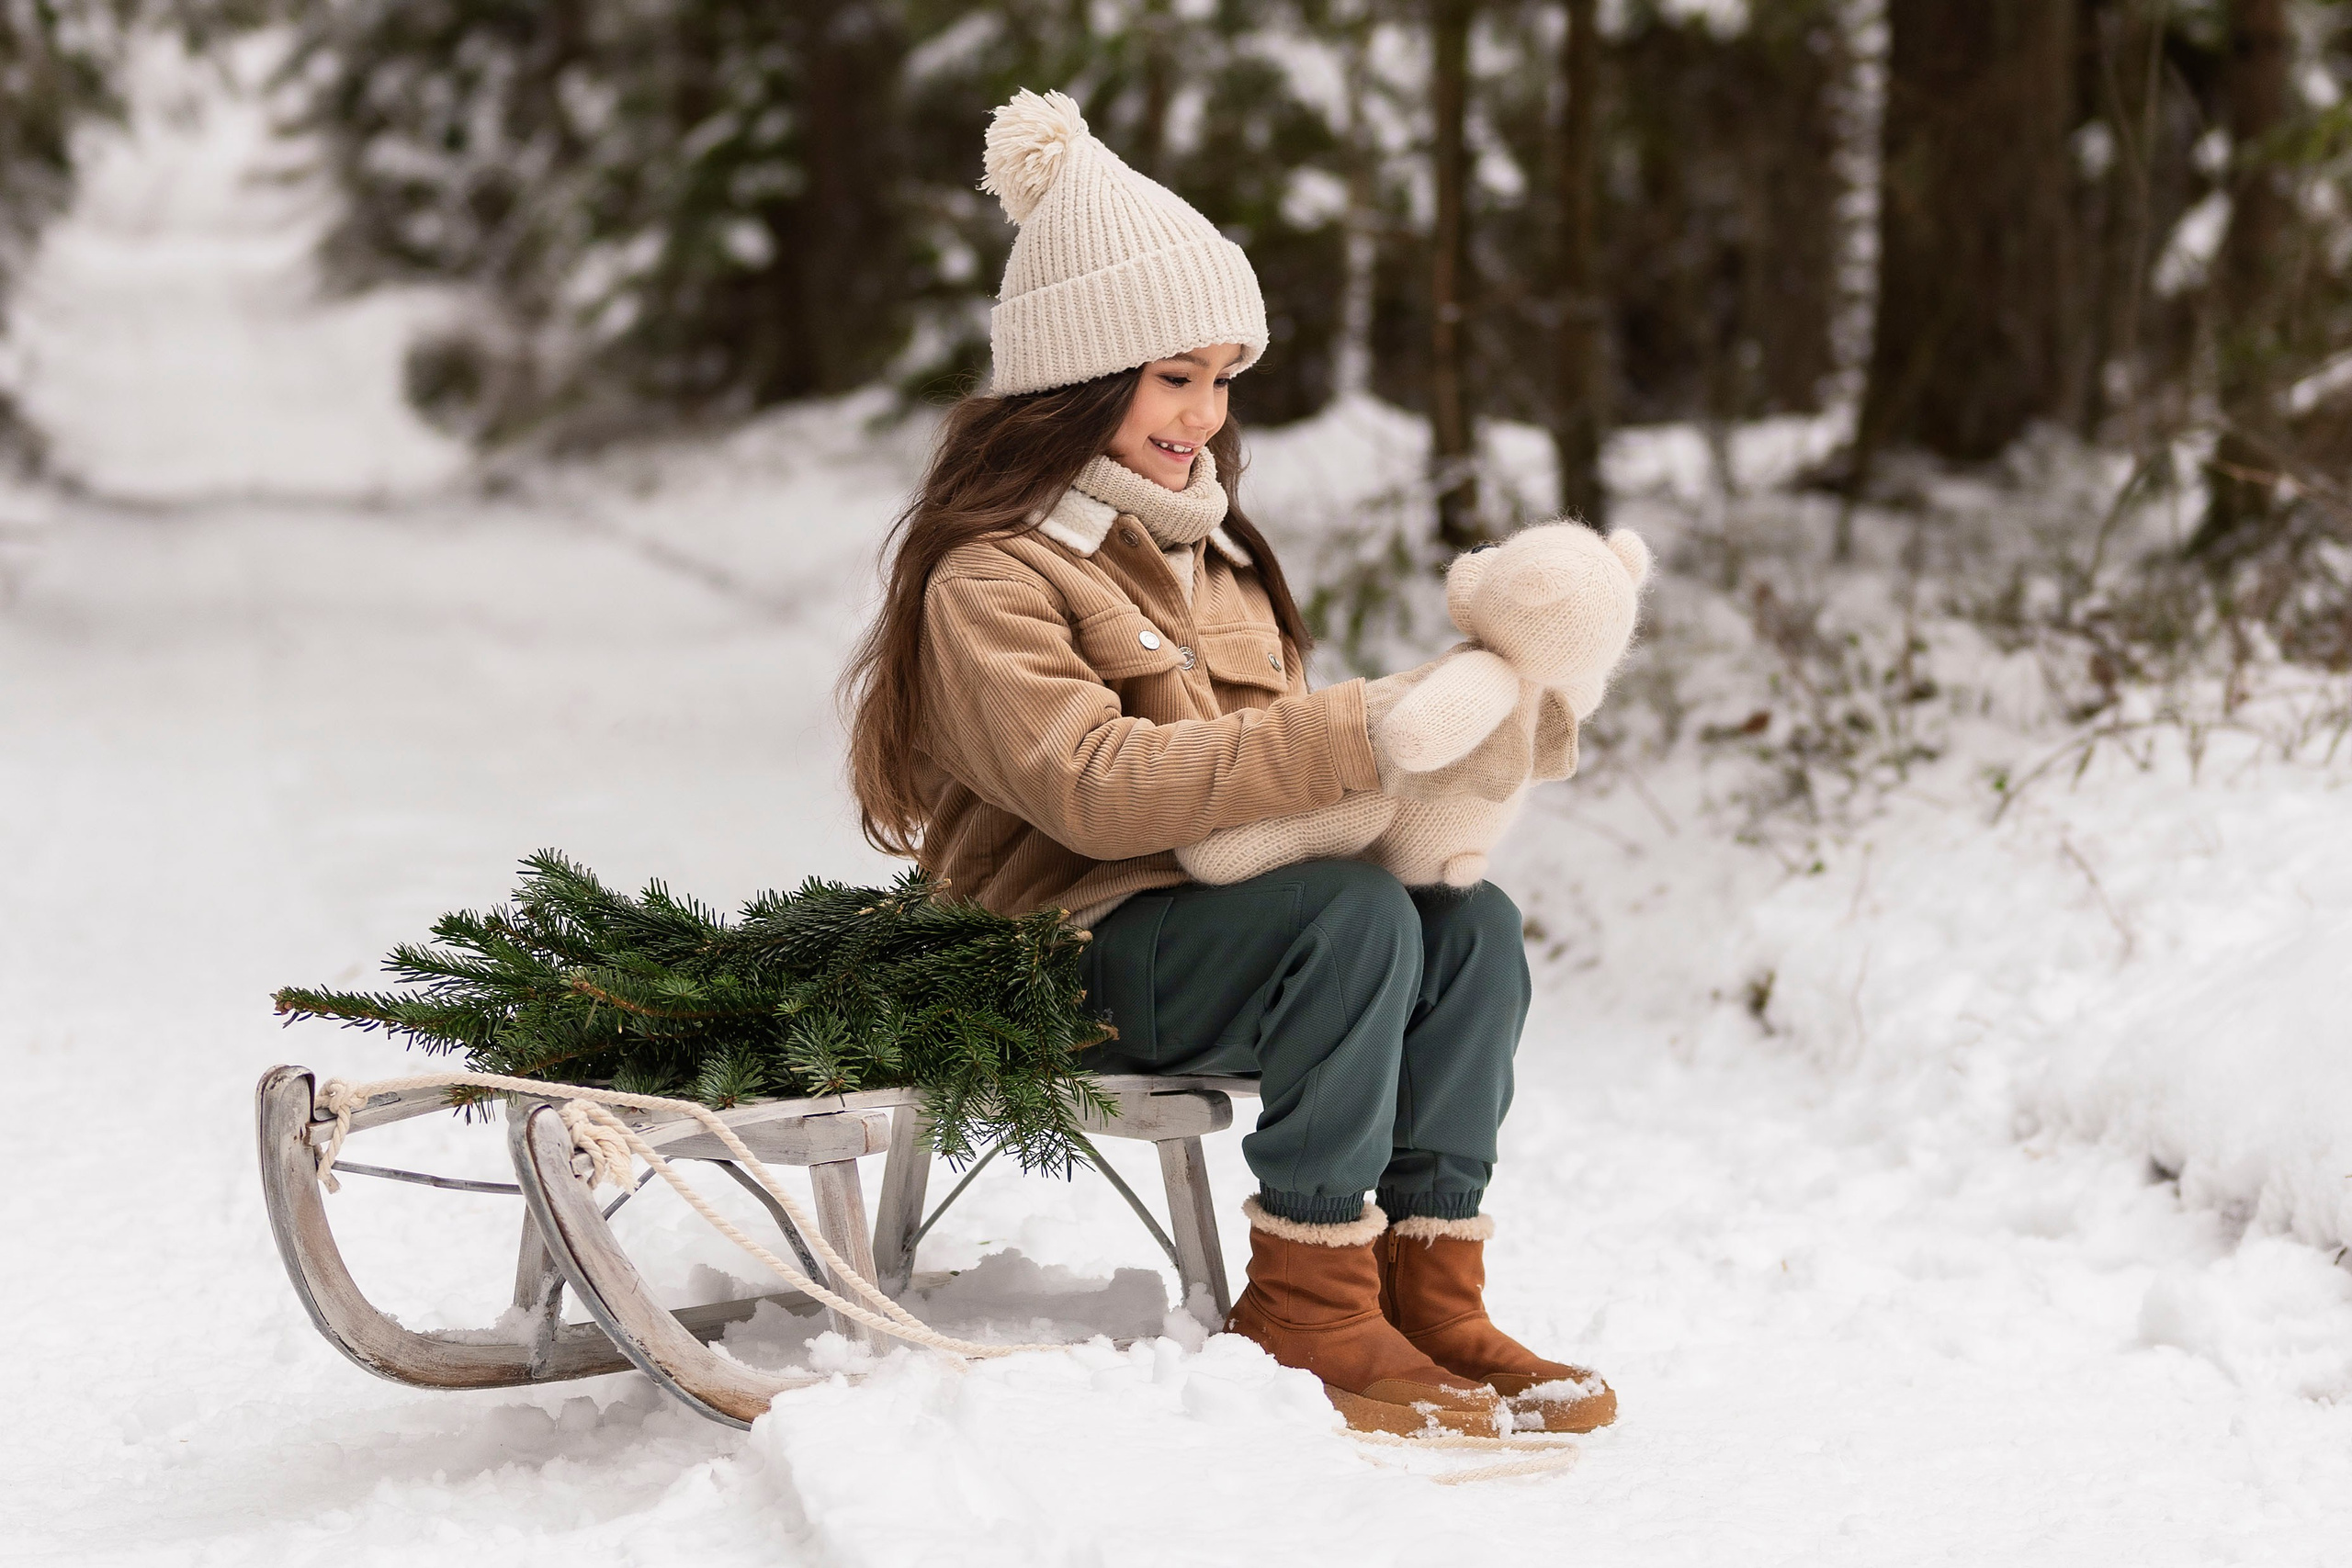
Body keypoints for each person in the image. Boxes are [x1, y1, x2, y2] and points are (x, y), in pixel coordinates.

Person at [841, 89, 1614, 1440]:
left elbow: (1277, 791)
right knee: (1355, 916)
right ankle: (1309, 1298)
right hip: (1052, 943)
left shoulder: (1222, 548)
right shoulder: (994, 574)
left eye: (1219, 380)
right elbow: (1094, 784)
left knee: (1470, 924)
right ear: (1080, 380)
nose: (1201, 416)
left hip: (1208, 921)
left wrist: (1478, 730)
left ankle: (1426, 1280)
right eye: (1171, 379)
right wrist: (1362, 729)